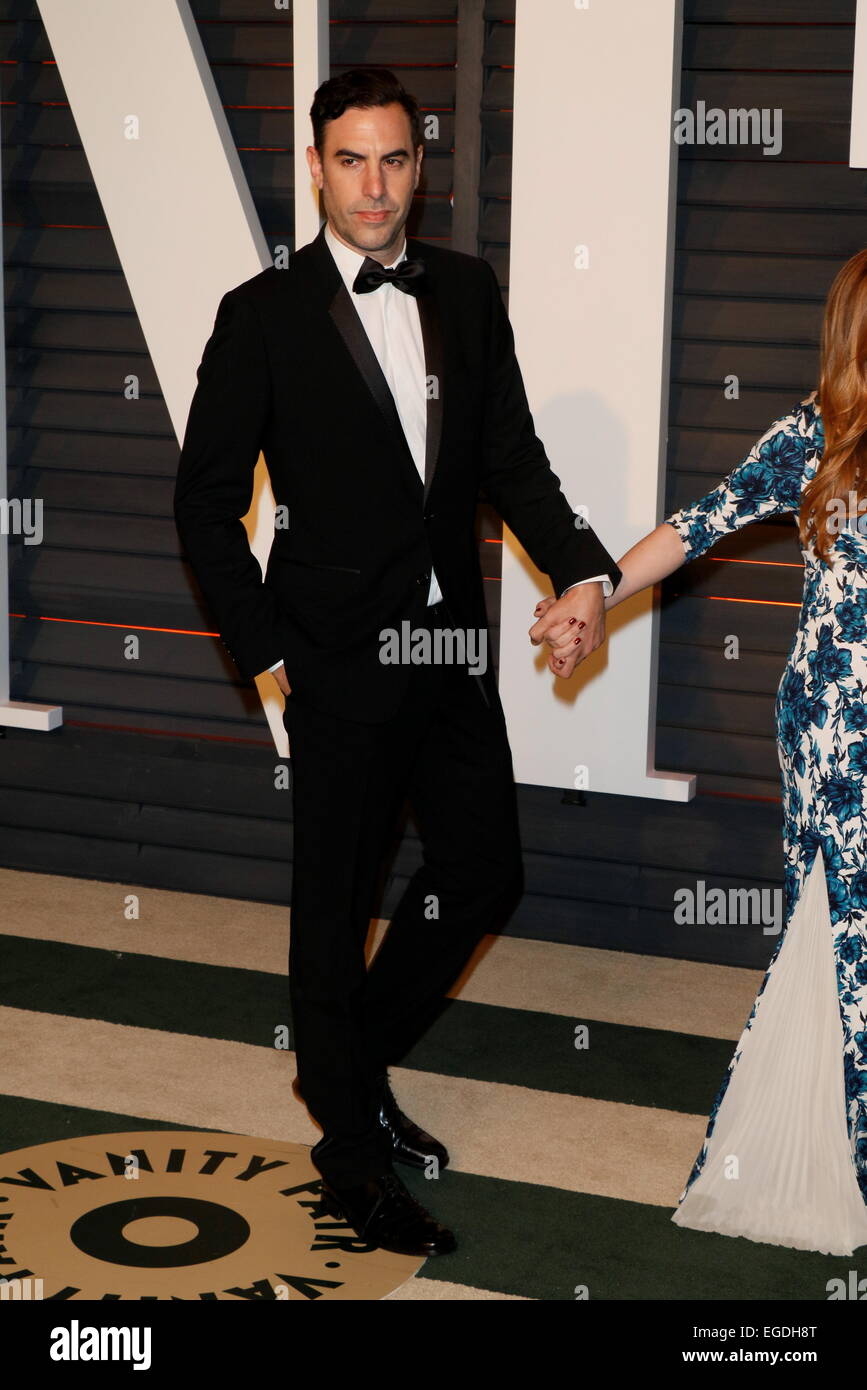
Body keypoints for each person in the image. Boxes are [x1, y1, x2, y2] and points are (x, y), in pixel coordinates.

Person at [174, 67, 622, 1257]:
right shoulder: (260, 313)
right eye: (351, 161)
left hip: (450, 649)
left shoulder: (468, 293)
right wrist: (271, 658)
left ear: (422, 167)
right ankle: (353, 1155)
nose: (375, 187)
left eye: (396, 160)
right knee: (332, 913)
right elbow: (206, 503)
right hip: (332, 659)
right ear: (315, 169)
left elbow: (512, 462)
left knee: (484, 870)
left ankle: (348, 1068)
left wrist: (585, 571)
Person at [572, 249, 867, 1256]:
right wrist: (597, 592)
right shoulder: (817, 434)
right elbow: (698, 524)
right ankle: (836, 1153)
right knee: (844, 942)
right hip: (837, 733)